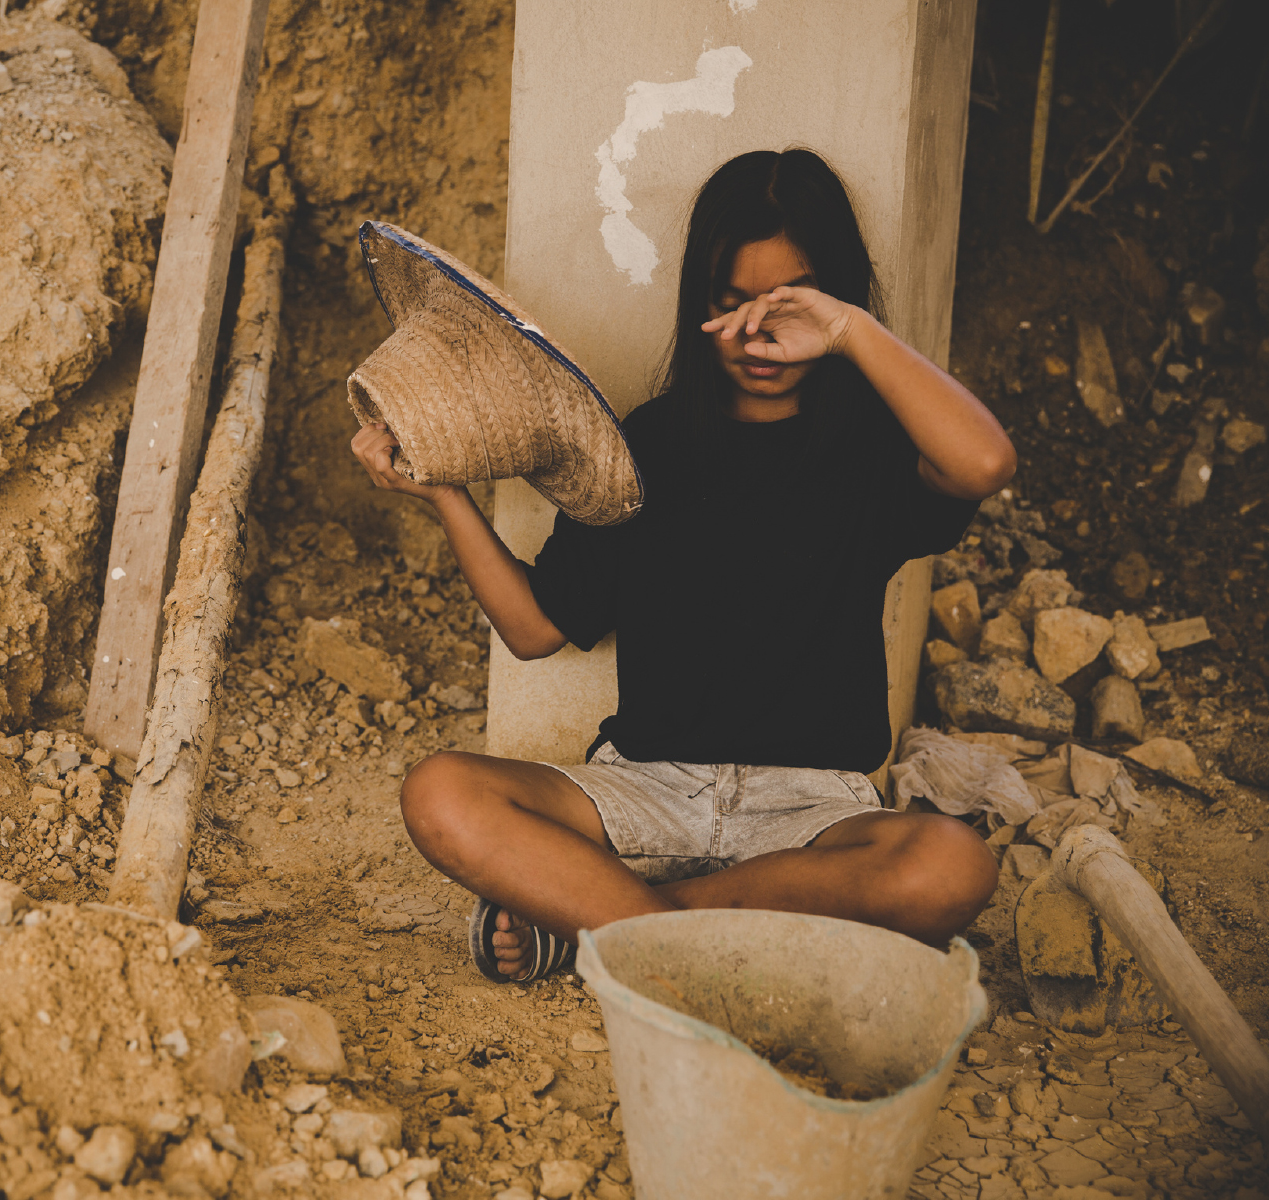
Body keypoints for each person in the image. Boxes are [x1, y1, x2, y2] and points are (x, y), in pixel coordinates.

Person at [349, 148, 1016, 982]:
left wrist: (847, 329)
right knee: (441, 793)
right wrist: (442, 492)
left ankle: (606, 925)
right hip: (648, 793)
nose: (758, 337)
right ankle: (681, 933)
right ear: (698, 301)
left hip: (812, 818)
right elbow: (531, 627)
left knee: (954, 867)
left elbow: (985, 461)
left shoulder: (874, 448)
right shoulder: (648, 445)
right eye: (730, 303)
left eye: (787, 307)